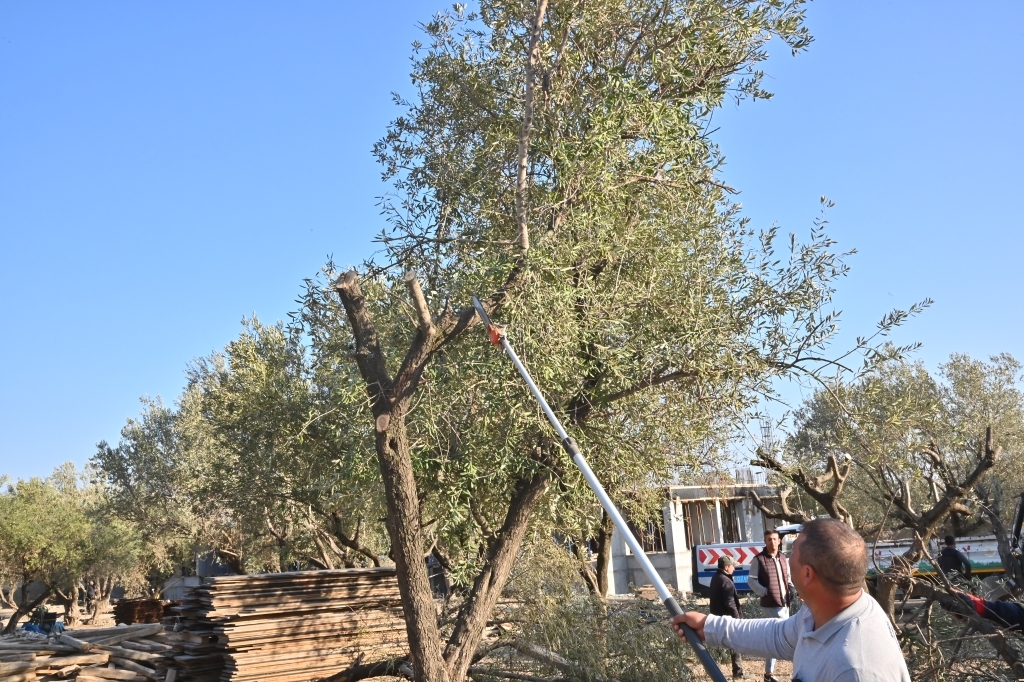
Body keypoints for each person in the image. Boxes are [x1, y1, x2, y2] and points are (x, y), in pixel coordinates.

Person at [671, 518, 910, 682]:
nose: (785, 556)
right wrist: (709, 626)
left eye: (792, 552)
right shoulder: (820, 613)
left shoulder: (855, 670)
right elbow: (779, 636)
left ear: (807, 574)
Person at [747, 529, 797, 682]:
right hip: (771, 604)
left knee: (775, 638)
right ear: (765, 541)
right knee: (784, 637)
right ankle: (794, 670)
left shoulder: (783, 558)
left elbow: (787, 578)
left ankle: (769, 674)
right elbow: (751, 580)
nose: (772, 542)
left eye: (775, 539)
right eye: (769, 539)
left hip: (784, 603)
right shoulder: (759, 559)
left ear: (779, 541)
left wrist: (793, 589)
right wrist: (765, 592)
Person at [708, 555, 745, 679]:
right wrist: (737, 619)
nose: (734, 568)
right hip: (727, 618)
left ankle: (713, 670)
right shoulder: (726, 581)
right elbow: (730, 602)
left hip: (717, 617)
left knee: (720, 646)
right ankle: (738, 673)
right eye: (732, 566)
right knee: (735, 643)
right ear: (726, 567)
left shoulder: (716, 577)